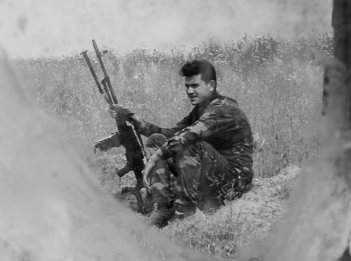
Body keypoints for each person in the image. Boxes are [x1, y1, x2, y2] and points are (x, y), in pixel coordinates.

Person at [107, 59, 254, 227]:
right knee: (156, 140)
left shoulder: (225, 108)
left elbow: (189, 135)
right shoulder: (200, 110)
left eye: (195, 86)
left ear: (211, 85)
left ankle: (187, 214)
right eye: (187, 86)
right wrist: (132, 117)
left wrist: (155, 158)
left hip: (233, 183)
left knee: (188, 144)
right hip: (211, 178)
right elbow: (170, 134)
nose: (190, 91)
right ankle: (164, 207)